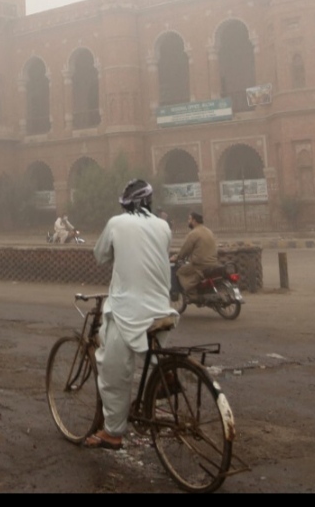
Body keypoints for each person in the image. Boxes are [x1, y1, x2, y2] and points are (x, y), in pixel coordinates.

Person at [84, 179, 178, 450]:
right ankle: (163, 375)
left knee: (113, 369)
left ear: (126, 204)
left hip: (128, 311)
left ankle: (112, 432)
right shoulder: (163, 226)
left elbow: (100, 255)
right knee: (151, 346)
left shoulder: (117, 223)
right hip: (163, 309)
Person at [172, 212, 223, 294]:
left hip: (200, 265)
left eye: (189, 219)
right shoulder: (209, 231)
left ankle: (191, 291)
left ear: (194, 221)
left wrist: (177, 257)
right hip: (213, 263)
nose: (188, 221)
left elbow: (185, 250)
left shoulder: (193, 233)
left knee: (180, 272)